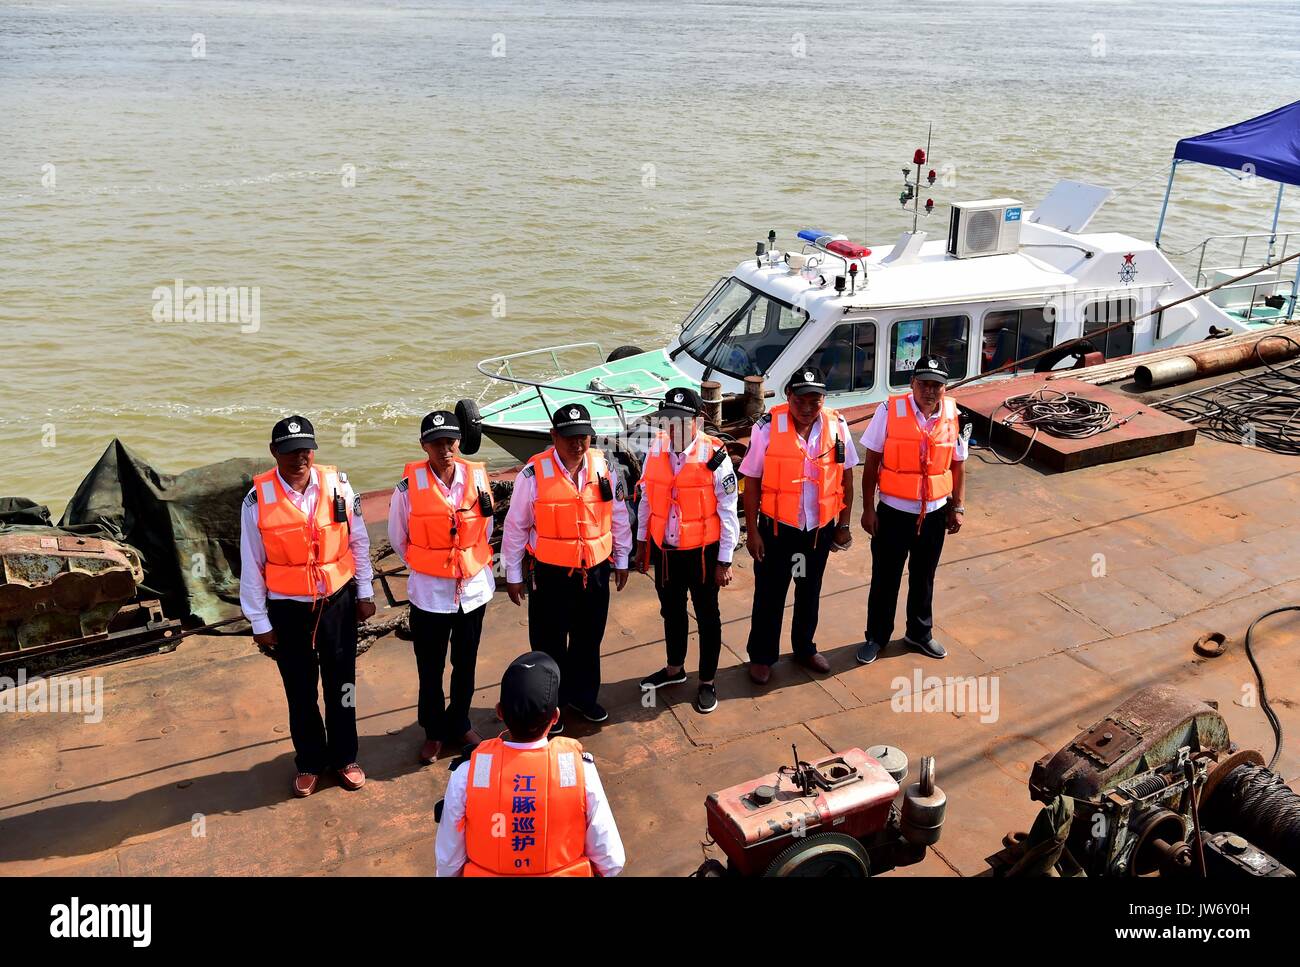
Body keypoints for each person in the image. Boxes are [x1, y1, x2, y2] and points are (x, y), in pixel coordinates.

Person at [239, 415, 375, 798]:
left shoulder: (339, 486)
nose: (300, 457)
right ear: (273, 453)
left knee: (342, 685)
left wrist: (364, 593)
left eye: (305, 449)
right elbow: (252, 564)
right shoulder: (256, 501)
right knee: (300, 691)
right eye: (289, 451)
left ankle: (345, 757)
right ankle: (310, 761)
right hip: (289, 609)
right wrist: (258, 620)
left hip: (338, 603)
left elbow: (358, 542)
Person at [435, 652, 625, 877]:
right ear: (555, 717)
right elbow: (611, 861)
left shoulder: (468, 774)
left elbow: (448, 863)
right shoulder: (580, 771)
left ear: (499, 712)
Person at [500, 403, 632, 729]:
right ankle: (551, 707)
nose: (577, 444)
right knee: (549, 643)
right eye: (570, 437)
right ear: (553, 436)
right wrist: (513, 574)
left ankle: (584, 697)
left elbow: (617, 515)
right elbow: (516, 527)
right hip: (551, 575)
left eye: (584, 437)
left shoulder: (605, 468)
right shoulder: (531, 476)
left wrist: (623, 558)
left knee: (589, 640)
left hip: (596, 571)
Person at [388, 410, 494, 766]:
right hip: (430, 595)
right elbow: (398, 537)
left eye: (449, 441)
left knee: (466, 662)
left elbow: (487, 527)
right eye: (436, 443)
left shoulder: (478, 478)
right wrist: (430, 565)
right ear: (424, 446)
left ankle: (460, 722)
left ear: (458, 442)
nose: (444, 449)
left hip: (473, 591)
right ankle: (433, 731)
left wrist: (466, 561)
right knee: (430, 667)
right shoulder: (406, 488)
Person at [739, 367, 857, 683]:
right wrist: (753, 532)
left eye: (814, 401)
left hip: (816, 534)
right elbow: (751, 481)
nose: (806, 408)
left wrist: (844, 524)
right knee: (770, 594)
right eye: (800, 401)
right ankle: (762, 657)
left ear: (823, 400)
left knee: (808, 590)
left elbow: (846, 475)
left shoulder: (837, 426)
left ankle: (804, 648)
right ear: (788, 397)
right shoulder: (765, 429)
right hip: (778, 533)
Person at [856, 354, 967, 665]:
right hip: (893, 512)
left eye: (936, 386)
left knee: (924, 576)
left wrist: (957, 507)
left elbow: (958, 464)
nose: (929, 391)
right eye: (924, 384)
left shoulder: (954, 413)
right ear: (912, 384)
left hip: (934, 512)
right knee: (885, 577)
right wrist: (868, 509)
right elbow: (872, 462)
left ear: (945, 388)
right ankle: (876, 637)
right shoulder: (889, 410)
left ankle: (919, 633)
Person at [634, 388, 740, 714]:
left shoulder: (715, 455)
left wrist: (725, 560)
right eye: (668, 420)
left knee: (708, 617)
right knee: (672, 611)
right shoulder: (656, 449)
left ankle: (707, 681)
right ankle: (674, 669)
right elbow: (648, 500)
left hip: (704, 554)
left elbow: (728, 510)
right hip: (667, 553)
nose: (673, 426)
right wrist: (642, 544)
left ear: (697, 420)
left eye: (681, 420)